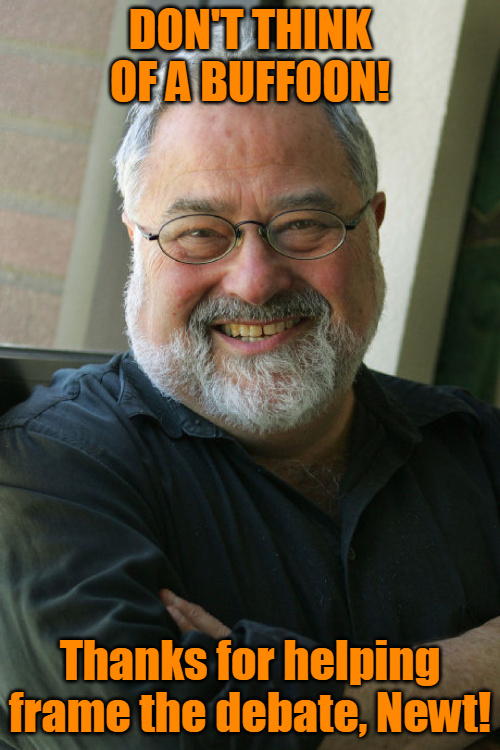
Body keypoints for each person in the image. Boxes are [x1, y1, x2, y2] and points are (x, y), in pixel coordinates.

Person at [0, 32, 499, 750]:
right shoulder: (42, 474)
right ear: (137, 242)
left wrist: (282, 698)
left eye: (303, 226)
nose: (256, 280)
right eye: (199, 233)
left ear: (373, 228)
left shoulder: (479, 448)